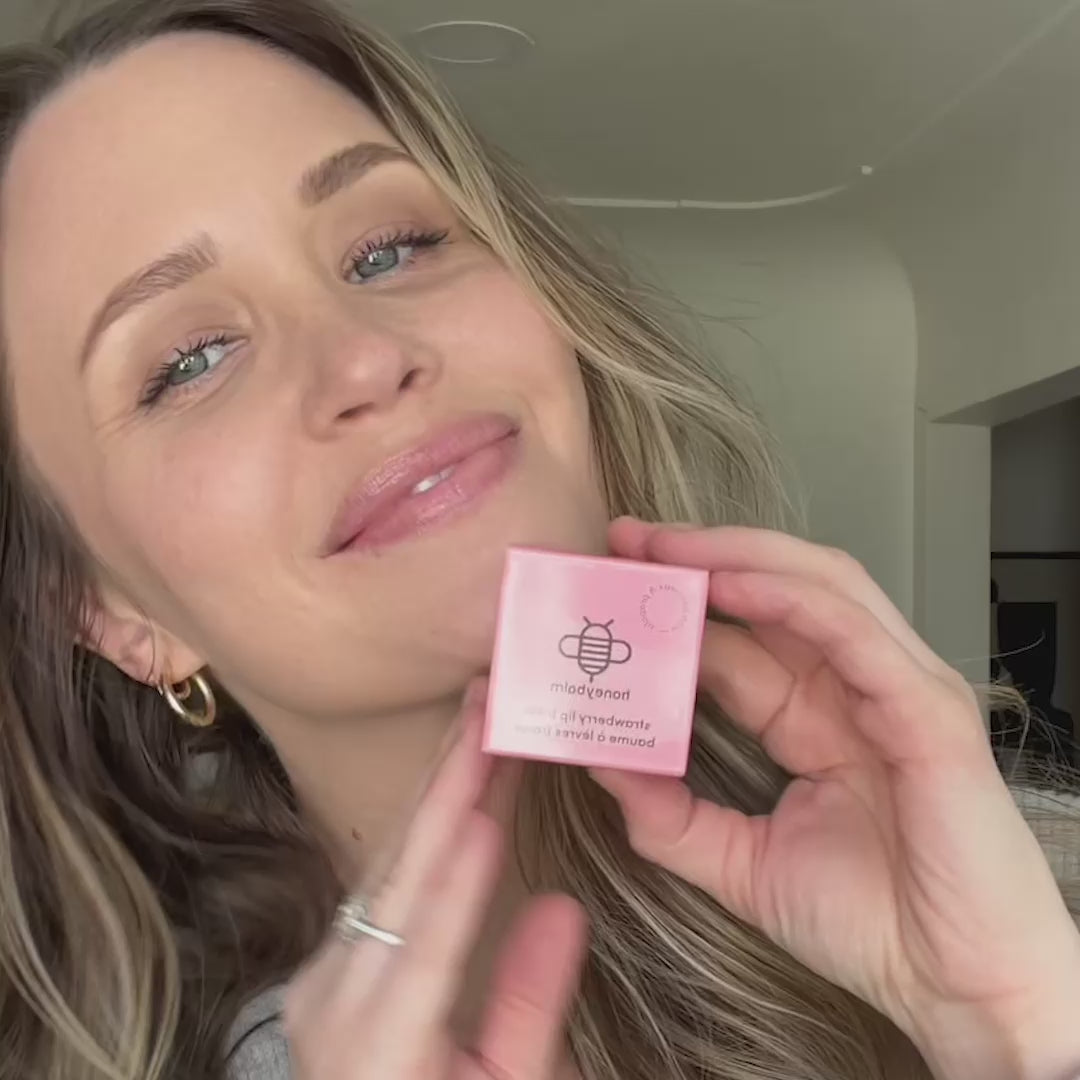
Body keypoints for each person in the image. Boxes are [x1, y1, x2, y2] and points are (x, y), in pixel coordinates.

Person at [0, 1, 1076, 1078]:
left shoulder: (1015, 883)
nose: (366, 357)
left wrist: (1009, 1025)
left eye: (390, 247)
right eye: (189, 360)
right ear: (112, 613)